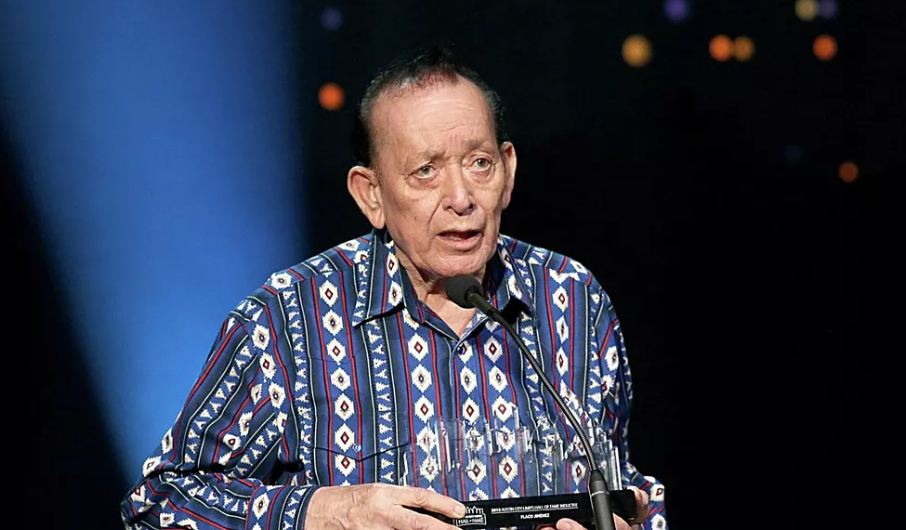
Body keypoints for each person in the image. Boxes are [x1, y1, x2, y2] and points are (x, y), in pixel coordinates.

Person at [120, 45, 667, 530]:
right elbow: (160, 504)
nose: (461, 197)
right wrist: (323, 513)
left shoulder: (572, 299)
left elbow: (626, 487)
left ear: (508, 171)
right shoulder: (289, 319)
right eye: (426, 171)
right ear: (372, 195)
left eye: (479, 163)